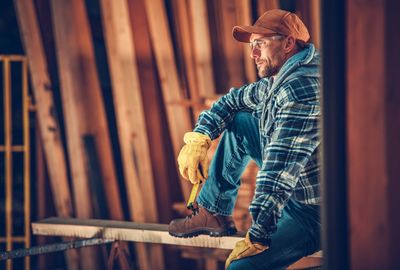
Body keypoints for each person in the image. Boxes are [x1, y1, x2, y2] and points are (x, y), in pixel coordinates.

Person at [169, 9, 321, 270]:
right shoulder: (279, 81)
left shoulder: (301, 89)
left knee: (241, 268)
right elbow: (230, 102)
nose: (253, 54)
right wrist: (200, 136)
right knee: (240, 120)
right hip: (300, 186)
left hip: (315, 212)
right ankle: (213, 212)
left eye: (260, 44)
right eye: (252, 45)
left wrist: (259, 234)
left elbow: (278, 173)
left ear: (288, 43)